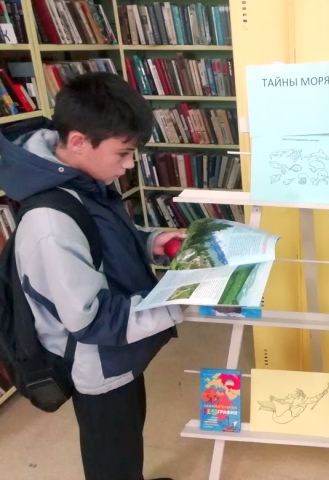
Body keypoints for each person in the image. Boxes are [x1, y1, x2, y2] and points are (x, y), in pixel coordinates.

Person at [0, 72, 184, 480]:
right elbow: (92, 320)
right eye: (123, 153)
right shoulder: (49, 222)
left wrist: (150, 241)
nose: (129, 164)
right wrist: (179, 303)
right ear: (80, 141)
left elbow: (101, 241)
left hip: (120, 351)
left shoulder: (81, 179)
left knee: (128, 436)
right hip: (97, 362)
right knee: (111, 455)